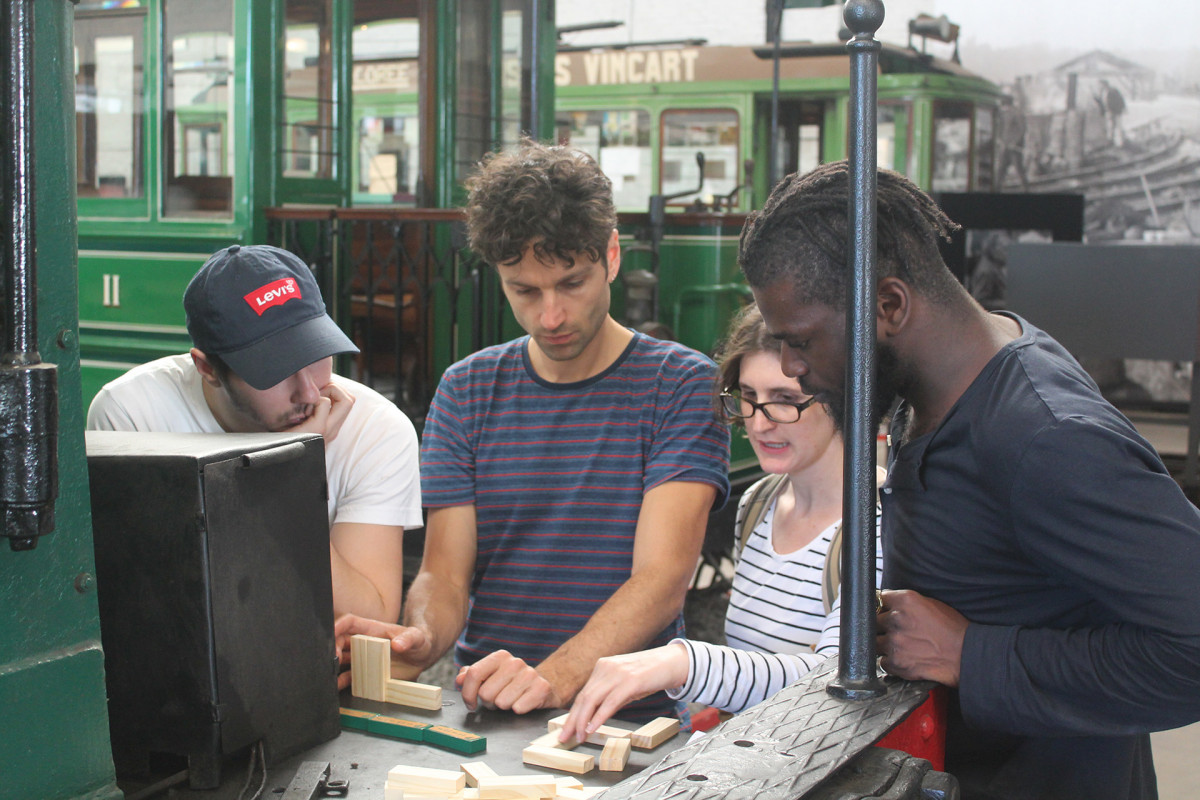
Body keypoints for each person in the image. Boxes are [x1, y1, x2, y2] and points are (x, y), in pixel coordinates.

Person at [737, 160, 1200, 800]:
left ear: (889, 304)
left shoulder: (1045, 437)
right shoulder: (927, 394)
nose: (792, 368)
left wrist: (969, 654)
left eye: (800, 342)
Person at [341, 140, 730, 722]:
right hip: (490, 707)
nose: (550, 315)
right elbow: (444, 573)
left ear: (613, 256)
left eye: (571, 284)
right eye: (524, 290)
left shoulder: (680, 384)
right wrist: (419, 636)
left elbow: (662, 579)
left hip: (625, 715)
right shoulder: (466, 389)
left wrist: (553, 679)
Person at [559, 303, 882, 743]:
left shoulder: (878, 525)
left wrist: (681, 663)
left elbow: (836, 683)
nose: (760, 422)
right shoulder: (758, 504)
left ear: (842, 396)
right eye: (748, 397)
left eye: (785, 400)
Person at [87, 244, 422, 623]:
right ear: (207, 368)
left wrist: (297, 467)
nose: (310, 394)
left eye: (316, 355)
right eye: (275, 370)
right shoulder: (131, 416)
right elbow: (147, 607)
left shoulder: (376, 429)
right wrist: (287, 467)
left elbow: (366, 624)